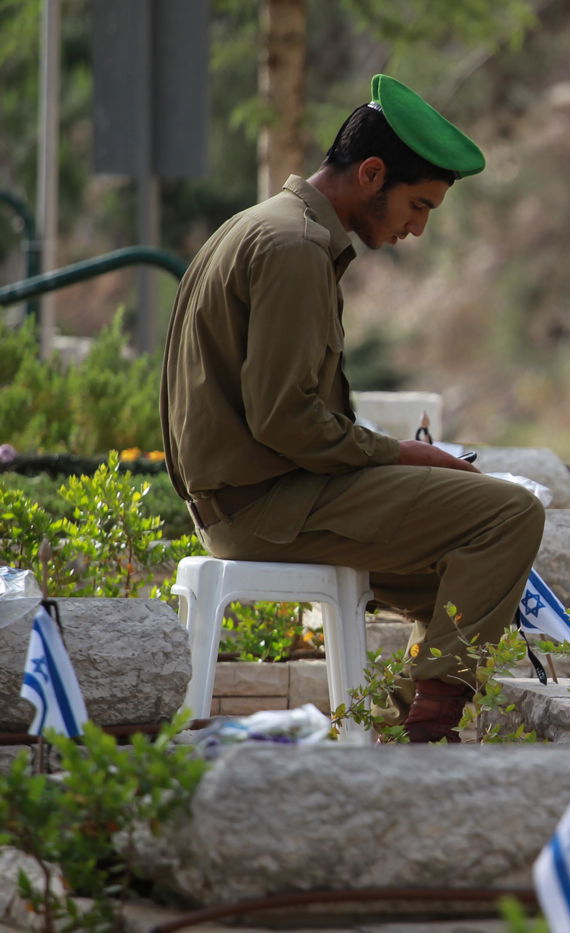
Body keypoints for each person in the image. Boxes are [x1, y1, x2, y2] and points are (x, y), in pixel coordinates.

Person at [160, 74, 545, 743]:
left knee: (465, 583)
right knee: (509, 514)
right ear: (372, 174)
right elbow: (286, 419)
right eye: (417, 205)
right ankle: (421, 737)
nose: (417, 229)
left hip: (253, 499)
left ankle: (396, 725)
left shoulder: (266, 227)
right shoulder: (295, 248)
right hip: (264, 509)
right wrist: (408, 453)